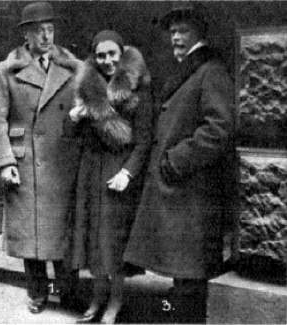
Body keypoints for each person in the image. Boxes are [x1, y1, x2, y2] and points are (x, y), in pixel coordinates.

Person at [123, 5, 238, 323]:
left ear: (198, 34)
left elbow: (219, 128)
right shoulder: (190, 69)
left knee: (190, 272)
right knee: (182, 271)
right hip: (180, 190)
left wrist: (176, 160)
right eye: (172, 31)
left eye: (183, 31)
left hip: (192, 190)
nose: (175, 37)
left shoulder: (209, 71)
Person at [0, 1, 81, 314]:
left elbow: (92, 104)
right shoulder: (4, 71)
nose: (45, 36)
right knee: (31, 231)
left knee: (63, 230)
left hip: (62, 159)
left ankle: (69, 292)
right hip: (25, 161)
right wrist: (5, 162)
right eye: (38, 30)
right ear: (26, 34)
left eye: (50, 29)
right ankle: (37, 293)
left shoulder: (74, 68)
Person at [68, 30, 153, 324]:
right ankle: (97, 297)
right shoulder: (87, 87)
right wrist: (76, 119)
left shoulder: (138, 88)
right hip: (91, 172)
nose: (107, 61)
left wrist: (127, 173)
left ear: (122, 54)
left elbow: (144, 141)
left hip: (118, 173)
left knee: (113, 244)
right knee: (93, 240)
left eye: (112, 54)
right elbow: (75, 137)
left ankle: (115, 301)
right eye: (101, 55)